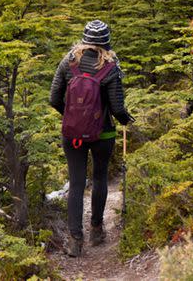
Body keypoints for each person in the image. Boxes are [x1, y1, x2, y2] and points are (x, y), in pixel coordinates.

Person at [49, 19, 133, 257]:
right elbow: (117, 108)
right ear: (106, 42)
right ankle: (96, 229)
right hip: (103, 133)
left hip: (72, 135)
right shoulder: (111, 66)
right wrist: (126, 119)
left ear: (84, 39)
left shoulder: (69, 62)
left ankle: (76, 241)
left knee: (76, 183)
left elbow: (54, 98)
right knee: (99, 177)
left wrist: (71, 117)